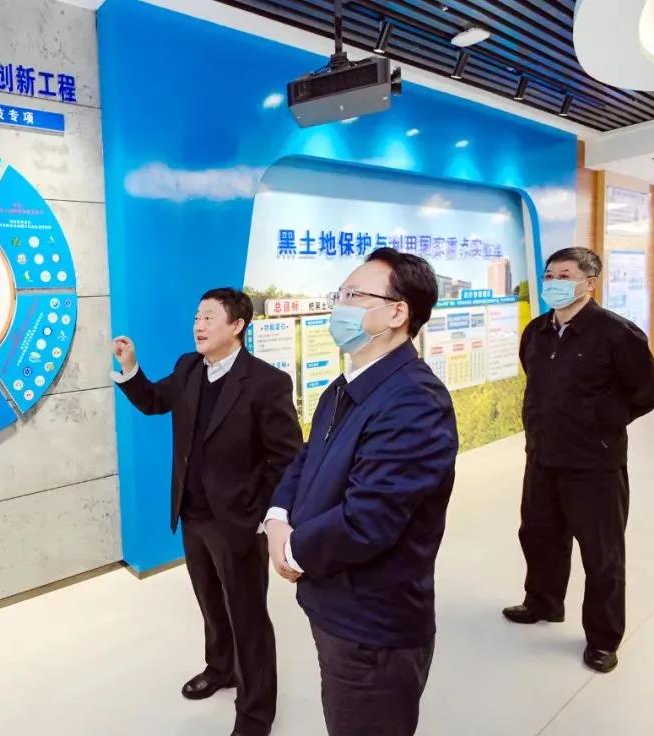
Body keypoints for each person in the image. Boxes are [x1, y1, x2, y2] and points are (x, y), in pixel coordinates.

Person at [265, 248, 458, 736]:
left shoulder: (414, 402)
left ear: (397, 313)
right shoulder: (346, 385)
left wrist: (291, 550)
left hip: (373, 628)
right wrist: (276, 516)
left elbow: (368, 519)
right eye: (340, 294)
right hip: (335, 603)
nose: (340, 306)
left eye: (354, 295)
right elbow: (307, 457)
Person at [111, 287, 302, 736]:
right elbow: (153, 401)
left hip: (239, 522)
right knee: (211, 604)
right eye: (197, 317)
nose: (198, 325)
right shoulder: (188, 367)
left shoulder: (266, 383)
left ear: (237, 325)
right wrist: (131, 369)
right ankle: (220, 669)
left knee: (248, 618)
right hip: (192, 515)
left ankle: (255, 713)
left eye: (209, 318)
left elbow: (287, 458)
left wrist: (262, 515)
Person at [503, 247, 654, 674]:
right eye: (550, 274)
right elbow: (536, 381)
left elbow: (647, 393)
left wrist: (600, 422)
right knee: (538, 536)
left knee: (602, 554)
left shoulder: (617, 334)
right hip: (542, 456)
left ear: (589, 283)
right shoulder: (537, 331)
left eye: (565, 275)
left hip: (595, 465)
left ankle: (603, 639)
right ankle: (542, 602)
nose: (554, 282)